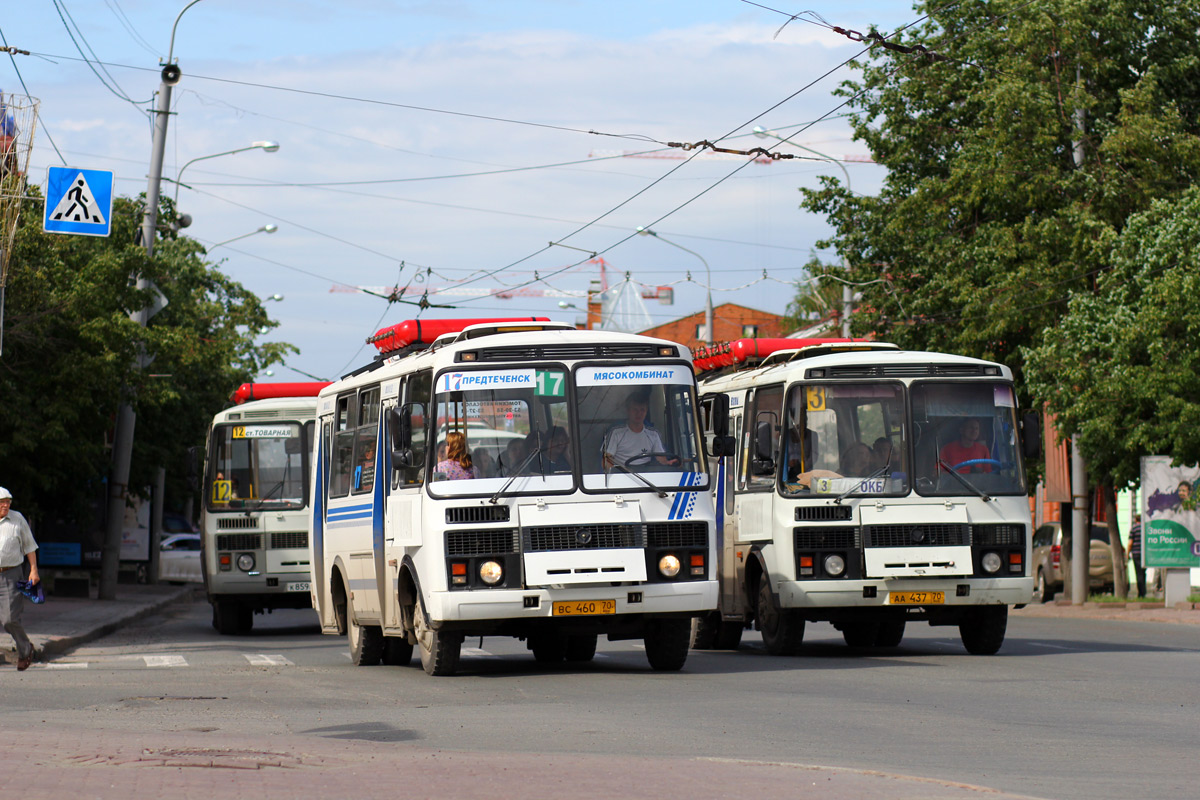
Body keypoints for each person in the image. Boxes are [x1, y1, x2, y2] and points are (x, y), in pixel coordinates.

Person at [0, 486, 39, 671]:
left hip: (11, 574)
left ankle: (25, 648)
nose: (6, 505)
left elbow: (29, 546)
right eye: (2, 502)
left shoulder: (17, 519)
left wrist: (33, 570)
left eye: (8, 502)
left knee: (9, 619)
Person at [602, 391, 677, 469]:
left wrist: (669, 463)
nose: (639, 413)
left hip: (646, 478)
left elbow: (661, 459)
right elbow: (606, 460)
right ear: (628, 411)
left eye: (642, 410)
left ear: (646, 411)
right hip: (622, 475)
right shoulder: (615, 433)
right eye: (635, 410)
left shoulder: (654, 434)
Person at [1126, 514, 1146, 599]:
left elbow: (1130, 543)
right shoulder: (1145, 528)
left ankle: (1141, 593)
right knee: (1143, 573)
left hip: (1136, 553)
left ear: (1135, 520)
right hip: (1145, 554)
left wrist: (1128, 553)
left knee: (1138, 574)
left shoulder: (1134, 528)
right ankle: (1143, 591)